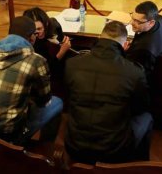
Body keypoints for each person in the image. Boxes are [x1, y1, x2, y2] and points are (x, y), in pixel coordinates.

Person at [0, 16, 63, 146]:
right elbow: (43, 100)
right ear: (32, 37)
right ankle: (44, 150)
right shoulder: (36, 61)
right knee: (57, 103)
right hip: (5, 136)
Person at [64, 21, 152, 163]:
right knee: (147, 117)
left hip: (74, 145)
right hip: (113, 150)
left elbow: (69, 98)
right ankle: (138, 166)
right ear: (124, 45)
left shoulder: (72, 64)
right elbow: (141, 107)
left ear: (99, 37)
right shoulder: (134, 72)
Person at [126, 1, 162, 80]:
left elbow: (137, 76)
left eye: (138, 21)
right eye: (133, 18)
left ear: (151, 23)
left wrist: (124, 51)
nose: (132, 23)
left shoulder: (144, 50)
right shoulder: (160, 19)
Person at [23, 7, 71, 76]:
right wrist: (62, 52)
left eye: (39, 29)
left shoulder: (55, 26)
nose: (36, 33)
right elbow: (46, 69)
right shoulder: (30, 41)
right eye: (33, 30)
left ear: (46, 24)